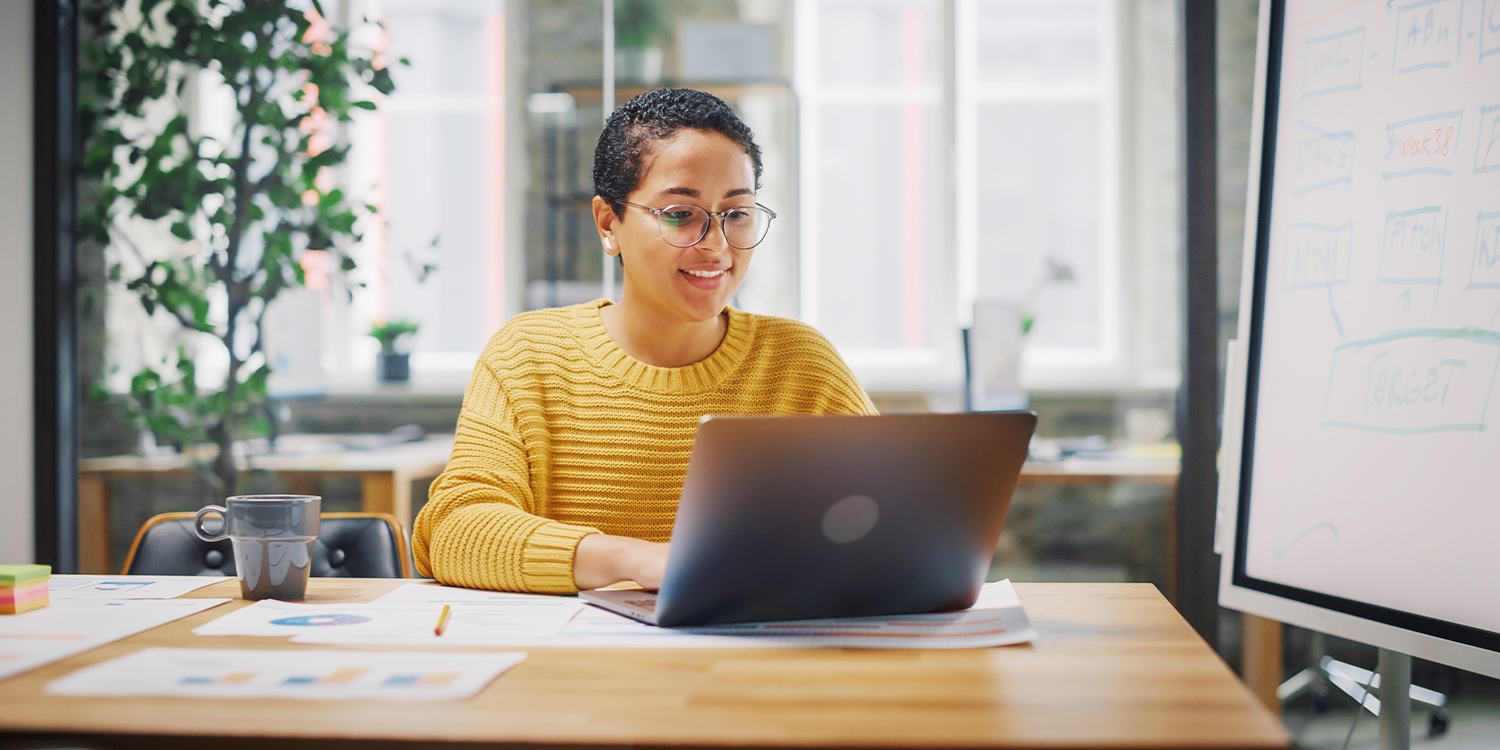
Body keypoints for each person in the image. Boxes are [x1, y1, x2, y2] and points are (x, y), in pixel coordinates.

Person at [412, 88, 876, 594]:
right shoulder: (529, 356)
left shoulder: (801, 363)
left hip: (759, 656)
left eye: (737, 214)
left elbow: (896, 519)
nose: (717, 245)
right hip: (582, 667)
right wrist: (633, 559)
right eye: (681, 214)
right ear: (609, 224)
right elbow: (455, 530)